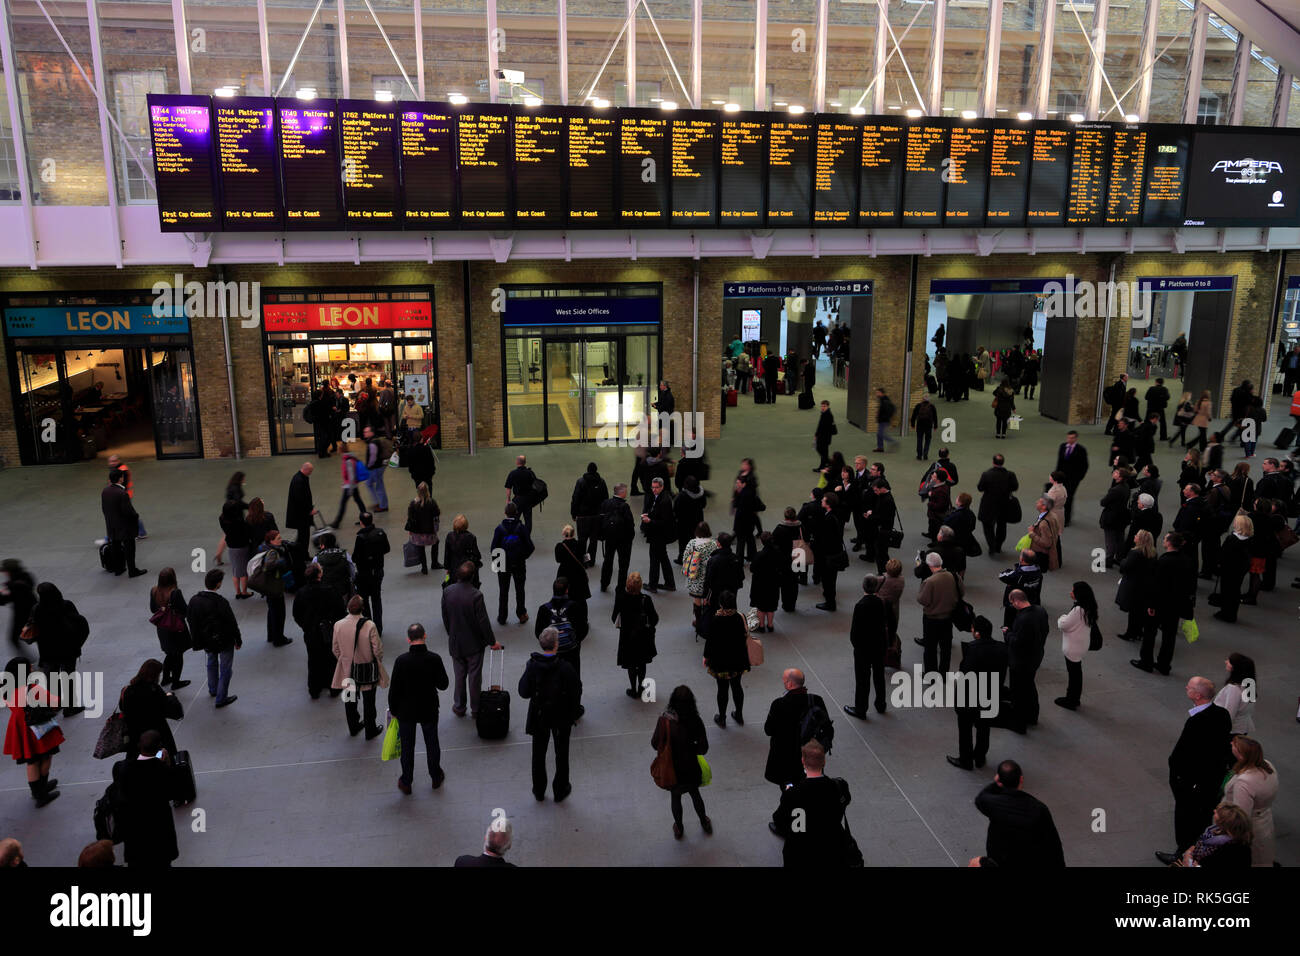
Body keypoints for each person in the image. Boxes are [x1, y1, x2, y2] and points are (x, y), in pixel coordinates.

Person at [1156, 676, 1232, 861]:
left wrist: (1179, 779)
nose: (1186, 688)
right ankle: (1200, 848)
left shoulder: (1196, 722)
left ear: (1197, 695)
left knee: (1185, 817)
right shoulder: (1222, 714)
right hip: (1212, 779)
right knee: (1203, 816)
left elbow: (1184, 754)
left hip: (1193, 782)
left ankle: (1182, 854)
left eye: (1189, 687)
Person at [770, 741, 856, 867]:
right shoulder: (838, 787)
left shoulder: (792, 794)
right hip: (831, 850)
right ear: (824, 762)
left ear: (803, 762)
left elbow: (780, 820)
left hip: (799, 854)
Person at [519, 627, 580, 803]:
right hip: (561, 716)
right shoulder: (565, 668)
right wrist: (573, 712)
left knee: (538, 753)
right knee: (562, 753)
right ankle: (560, 789)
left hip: (539, 715)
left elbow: (523, 691)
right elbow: (576, 691)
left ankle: (539, 789)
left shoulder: (532, 666)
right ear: (556, 645)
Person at [388, 622, 450, 794]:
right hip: (428, 707)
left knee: (407, 746)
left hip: (406, 711)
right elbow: (443, 684)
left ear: (408, 639)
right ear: (425, 636)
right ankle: (435, 776)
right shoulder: (434, 658)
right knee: (432, 742)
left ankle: (406, 781)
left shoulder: (401, 661)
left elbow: (394, 689)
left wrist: (393, 710)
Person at [974, 760, 1065, 867]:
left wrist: (997, 783)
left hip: (1000, 860)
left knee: (976, 863)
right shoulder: (1039, 809)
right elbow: (1053, 845)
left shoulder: (992, 803)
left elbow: (981, 797)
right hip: (1028, 860)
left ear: (998, 780)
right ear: (1021, 779)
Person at [651, 685, 713, 839]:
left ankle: (679, 827)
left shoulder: (665, 720)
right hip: (691, 767)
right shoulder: (696, 720)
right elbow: (703, 749)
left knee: (676, 797)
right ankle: (704, 821)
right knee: (695, 794)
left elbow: (654, 744)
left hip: (672, 768)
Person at [947, 616, 1008, 771]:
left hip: (970, 697)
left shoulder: (972, 649)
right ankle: (980, 756)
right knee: (984, 727)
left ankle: (965, 760)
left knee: (965, 729)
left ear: (978, 633)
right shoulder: (1001, 648)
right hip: (991, 694)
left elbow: (965, 674)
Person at [441, 562, 501, 719]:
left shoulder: (447, 591)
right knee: (474, 677)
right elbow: (483, 622)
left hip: (456, 642)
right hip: (474, 644)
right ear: (473, 576)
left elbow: (445, 617)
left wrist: (451, 633)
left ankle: (459, 706)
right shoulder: (476, 595)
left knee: (459, 675)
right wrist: (491, 641)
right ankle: (476, 708)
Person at [1132, 532, 1196, 676]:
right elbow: (1191, 584)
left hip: (1161, 604)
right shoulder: (1187, 560)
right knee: (1169, 636)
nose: (1163, 540)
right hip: (1176, 605)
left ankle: (1146, 661)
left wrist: (1151, 605)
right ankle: (1164, 664)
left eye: (1166, 539)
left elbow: (1157, 585)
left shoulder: (1164, 561)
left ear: (1169, 543)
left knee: (1150, 632)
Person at [2, 657, 64, 806]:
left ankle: (37, 791)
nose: (32, 668)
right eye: (29, 667)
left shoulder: (7, 690)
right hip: (38, 728)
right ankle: (42, 792)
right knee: (45, 757)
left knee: (31, 761)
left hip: (21, 729)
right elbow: (56, 702)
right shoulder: (33, 689)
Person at [112, 730, 178, 867]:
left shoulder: (121, 768)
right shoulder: (162, 771)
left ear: (138, 746)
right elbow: (173, 791)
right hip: (160, 838)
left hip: (135, 839)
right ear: (159, 748)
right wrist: (166, 763)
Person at [331, 595, 387, 740]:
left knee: (349, 700)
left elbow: (335, 649)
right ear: (363, 608)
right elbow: (377, 650)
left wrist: (344, 661)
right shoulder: (369, 625)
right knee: (369, 701)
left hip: (347, 671)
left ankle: (354, 726)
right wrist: (376, 661)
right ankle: (370, 729)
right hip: (366, 670)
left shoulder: (338, 625)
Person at [186, 568, 241, 708]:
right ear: (218, 584)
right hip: (224, 639)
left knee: (211, 662)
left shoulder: (195, 600)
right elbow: (231, 622)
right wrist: (237, 639)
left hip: (207, 640)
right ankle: (221, 698)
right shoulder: (220, 602)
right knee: (226, 668)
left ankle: (213, 688)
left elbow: (191, 620)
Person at [535, 577, 589, 718]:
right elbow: (583, 628)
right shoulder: (575, 607)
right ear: (567, 590)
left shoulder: (544, 609)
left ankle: (554, 705)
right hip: (571, 651)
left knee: (553, 679)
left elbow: (538, 632)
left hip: (553, 653)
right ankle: (575, 709)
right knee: (574, 679)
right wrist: (576, 641)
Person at [1222, 737, 1277, 866]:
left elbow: (1240, 815)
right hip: (1264, 820)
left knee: (1252, 860)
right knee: (1262, 857)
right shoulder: (1268, 765)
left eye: (1235, 745)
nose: (1231, 744)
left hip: (1250, 827)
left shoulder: (1244, 782)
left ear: (1242, 756)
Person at [292, 563, 345, 699]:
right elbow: (340, 610)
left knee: (313, 659)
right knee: (330, 658)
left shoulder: (301, 593)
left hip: (311, 632)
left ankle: (314, 688)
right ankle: (333, 687)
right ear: (319, 575)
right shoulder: (330, 590)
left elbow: (296, 614)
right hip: (328, 630)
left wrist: (305, 625)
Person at [118, 658, 183, 761]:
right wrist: (170, 696)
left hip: (136, 739)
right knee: (159, 760)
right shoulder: (154, 691)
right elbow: (173, 711)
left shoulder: (127, 690)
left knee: (139, 762)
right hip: (156, 739)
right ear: (154, 675)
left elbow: (122, 708)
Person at [843, 576, 888, 719]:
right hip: (879, 645)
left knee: (862, 679)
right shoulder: (880, 602)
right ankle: (881, 704)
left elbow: (855, 631)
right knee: (879, 675)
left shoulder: (860, 605)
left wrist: (857, 646)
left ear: (863, 587)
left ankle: (861, 708)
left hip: (863, 648)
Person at [1003, 589, 1048, 732]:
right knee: (1029, 687)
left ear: (1016, 601)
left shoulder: (1024, 619)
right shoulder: (1041, 611)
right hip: (1035, 657)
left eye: (1012, 602)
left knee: (1018, 693)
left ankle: (1019, 724)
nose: (1012, 606)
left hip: (1020, 662)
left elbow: (1017, 642)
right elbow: (1046, 630)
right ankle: (1032, 716)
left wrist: (1007, 633)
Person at [703, 590, 749, 728]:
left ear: (721, 604)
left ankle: (722, 717)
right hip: (737, 659)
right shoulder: (740, 617)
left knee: (722, 689)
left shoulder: (716, 619)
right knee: (737, 686)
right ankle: (739, 714)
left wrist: (706, 656)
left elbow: (710, 641)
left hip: (720, 661)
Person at [612, 572, 658, 699]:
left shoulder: (621, 598)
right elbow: (654, 619)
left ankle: (633, 688)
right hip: (643, 636)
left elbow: (614, 617)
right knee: (642, 662)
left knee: (631, 663)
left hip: (627, 636)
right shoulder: (646, 600)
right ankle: (641, 687)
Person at [1054, 581, 1097, 711]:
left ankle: (1071, 699)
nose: (1070, 592)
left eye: (1072, 590)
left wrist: (1062, 617)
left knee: (1074, 674)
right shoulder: (1089, 607)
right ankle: (1074, 698)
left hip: (1073, 647)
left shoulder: (1078, 609)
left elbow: (1063, 625)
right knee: (1076, 672)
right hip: (1081, 645)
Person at [490, 503, 534, 626]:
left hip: (503, 563)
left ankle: (502, 617)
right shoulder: (521, 528)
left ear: (505, 513)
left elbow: (494, 548)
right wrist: (522, 557)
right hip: (519, 563)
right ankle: (521, 614)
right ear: (516, 513)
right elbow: (530, 547)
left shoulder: (499, 529)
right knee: (520, 589)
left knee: (503, 591)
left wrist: (497, 565)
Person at [102, 467, 146, 578]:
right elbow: (128, 511)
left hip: (112, 525)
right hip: (125, 527)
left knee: (115, 547)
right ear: (120, 479)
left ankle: (118, 569)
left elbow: (104, 508)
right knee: (130, 549)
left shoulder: (105, 491)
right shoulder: (122, 493)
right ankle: (132, 570)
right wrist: (136, 516)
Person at [1115, 530, 1157, 644]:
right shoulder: (1152, 553)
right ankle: (1138, 632)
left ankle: (1130, 633)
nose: (1134, 536)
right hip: (1145, 586)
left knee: (1133, 612)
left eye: (1137, 535)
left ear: (1141, 539)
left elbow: (1125, 566)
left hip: (1133, 585)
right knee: (1140, 611)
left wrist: (1123, 561)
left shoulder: (1135, 553)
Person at [352, 511, 390, 635]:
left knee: (365, 601)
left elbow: (355, 558)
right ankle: (379, 628)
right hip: (378, 572)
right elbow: (387, 549)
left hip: (364, 574)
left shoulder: (360, 538)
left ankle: (369, 627)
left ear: (361, 522)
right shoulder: (380, 533)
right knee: (376, 599)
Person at [1211, 514, 1252, 623]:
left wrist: (1219, 564)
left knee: (1226, 591)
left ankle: (1226, 613)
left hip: (1228, 570)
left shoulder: (1232, 539)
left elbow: (1223, 554)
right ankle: (1232, 613)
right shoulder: (1248, 540)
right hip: (1239, 571)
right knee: (1234, 592)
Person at [977, 454, 1018, 555]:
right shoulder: (1010, 475)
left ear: (993, 462)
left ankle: (992, 546)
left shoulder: (986, 474)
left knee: (987, 525)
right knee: (1002, 525)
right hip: (1004, 504)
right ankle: (998, 546)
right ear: (1003, 462)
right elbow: (1015, 487)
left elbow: (980, 488)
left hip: (988, 504)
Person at [570, 463, 608, 566]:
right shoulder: (601, 482)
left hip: (583, 517)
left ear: (587, 470)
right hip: (596, 517)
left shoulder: (581, 482)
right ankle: (590, 561)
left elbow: (575, 499)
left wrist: (574, 514)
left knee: (582, 540)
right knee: (593, 541)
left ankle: (582, 561)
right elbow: (605, 500)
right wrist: (604, 515)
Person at [285, 462, 319, 574]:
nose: (311, 473)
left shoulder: (300, 477)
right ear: (306, 470)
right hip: (300, 516)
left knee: (303, 535)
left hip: (300, 515)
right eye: (311, 471)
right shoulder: (299, 481)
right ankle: (301, 555)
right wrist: (310, 510)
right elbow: (301, 500)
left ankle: (303, 554)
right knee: (303, 536)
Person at [0, 560, 37, 663]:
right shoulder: (26, 576)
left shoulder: (13, 585)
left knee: (13, 638)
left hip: (22, 615)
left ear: (9, 571)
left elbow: (4, 600)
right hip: (35, 609)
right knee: (39, 635)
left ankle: (29, 660)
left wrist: (5, 590)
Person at [1214, 653, 1256, 735]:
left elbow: (1229, 715)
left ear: (1235, 668)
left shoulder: (1234, 689)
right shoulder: (1250, 683)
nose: (1225, 662)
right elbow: (1249, 708)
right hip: (1242, 727)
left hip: (1232, 731)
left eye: (1229, 662)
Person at [405, 481, 441, 575]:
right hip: (430, 532)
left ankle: (424, 568)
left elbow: (410, 517)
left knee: (421, 548)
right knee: (436, 543)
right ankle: (434, 563)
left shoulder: (413, 503)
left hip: (418, 532)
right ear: (427, 491)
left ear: (418, 491)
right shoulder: (432, 502)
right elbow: (437, 513)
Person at [672, 476, 706, 566]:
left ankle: (682, 558)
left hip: (684, 523)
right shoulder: (701, 493)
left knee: (683, 542)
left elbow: (676, 509)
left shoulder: (682, 496)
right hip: (698, 520)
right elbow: (704, 504)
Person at [330, 451, 368, 530]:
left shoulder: (348, 461)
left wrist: (350, 489)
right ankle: (365, 519)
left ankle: (337, 522)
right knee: (359, 501)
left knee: (343, 504)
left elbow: (351, 476)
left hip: (350, 486)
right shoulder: (351, 458)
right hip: (352, 485)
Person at [442, 514, 482, 589]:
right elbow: (476, 555)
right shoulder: (471, 537)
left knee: (453, 587)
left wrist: (447, 568)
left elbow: (447, 554)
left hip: (453, 568)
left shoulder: (449, 536)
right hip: (467, 568)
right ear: (466, 525)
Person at [215, 471, 246, 566]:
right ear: (240, 479)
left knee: (226, 535)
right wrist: (249, 506)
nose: (245, 480)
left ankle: (218, 554)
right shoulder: (236, 488)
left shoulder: (231, 486)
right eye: (243, 478)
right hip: (234, 515)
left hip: (229, 512)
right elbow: (238, 502)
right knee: (229, 535)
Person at [504, 455, 538, 535]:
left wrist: (508, 500)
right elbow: (536, 485)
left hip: (517, 500)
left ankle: (514, 534)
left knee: (514, 518)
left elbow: (508, 488)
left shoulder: (512, 473)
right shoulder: (530, 473)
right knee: (528, 520)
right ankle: (527, 536)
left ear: (517, 462)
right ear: (525, 463)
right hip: (528, 500)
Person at [361, 425, 390, 513]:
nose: (364, 433)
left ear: (371, 433)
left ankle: (383, 506)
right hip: (377, 467)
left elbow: (373, 457)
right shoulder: (374, 440)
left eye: (366, 432)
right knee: (369, 483)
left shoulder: (373, 443)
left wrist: (368, 466)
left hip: (375, 468)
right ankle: (377, 502)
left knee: (379, 486)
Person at [911, 395, 938, 460]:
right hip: (928, 425)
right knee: (928, 440)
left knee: (919, 439)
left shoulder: (918, 406)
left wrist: (913, 424)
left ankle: (919, 455)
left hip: (920, 425)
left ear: (922, 399)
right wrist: (935, 426)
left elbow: (914, 416)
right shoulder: (932, 406)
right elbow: (935, 417)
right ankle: (925, 454)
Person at [813, 400, 836, 470]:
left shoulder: (828, 415)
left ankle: (828, 463)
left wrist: (817, 435)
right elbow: (820, 426)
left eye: (824, 406)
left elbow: (825, 427)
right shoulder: (824, 413)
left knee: (821, 450)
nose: (822, 407)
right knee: (823, 452)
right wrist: (816, 434)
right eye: (822, 406)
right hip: (822, 436)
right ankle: (825, 465)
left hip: (824, 438)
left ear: (828, 406)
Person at [873, 387, 896, 452]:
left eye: (877, 393)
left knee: (881, 434)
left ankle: (893, 442)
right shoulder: (882, 399)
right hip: (882, 419)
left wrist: (885, 417)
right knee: (879, 434)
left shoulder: (885, 400)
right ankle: (880, 448)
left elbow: (888, 410)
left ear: (881, 393)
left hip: (884, 420)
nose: (876, 394)